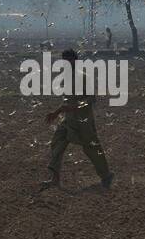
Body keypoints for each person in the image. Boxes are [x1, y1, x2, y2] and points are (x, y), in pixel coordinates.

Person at [41, 49, 112, 190]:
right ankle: (55, 179)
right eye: (64, 60)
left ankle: (106, 176)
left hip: (83, 121)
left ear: (75, 61)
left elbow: (91, 98)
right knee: (57, 142)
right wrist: (56, 112)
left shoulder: (83, 77)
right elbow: (68, 101)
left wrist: (76, 107)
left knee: (92, 148)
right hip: (69, 120)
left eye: (69, 60)